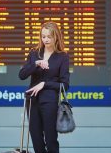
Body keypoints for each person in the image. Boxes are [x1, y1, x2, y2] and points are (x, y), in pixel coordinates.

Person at [19, 22, 70, 153]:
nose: (46, 40)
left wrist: (44, 84)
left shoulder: (62, 57)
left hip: (50, 102)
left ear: (56, 37)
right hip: (32, 101)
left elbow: (64, 85)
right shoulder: (34, 54)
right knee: (36, 138)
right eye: (43, 36)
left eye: (49, 37)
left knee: (51, 138)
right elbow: (22, 75)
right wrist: (35, 64)